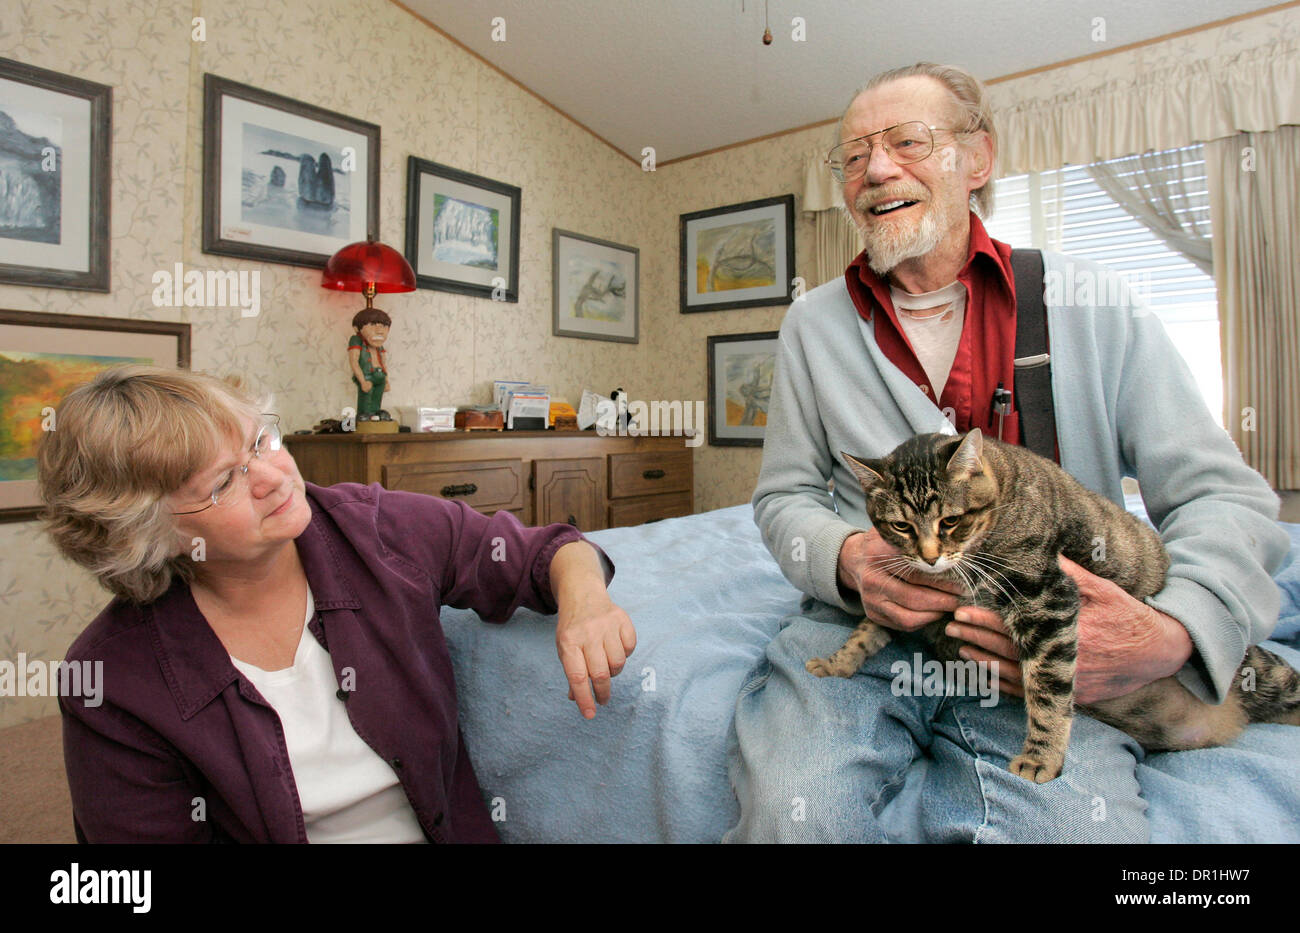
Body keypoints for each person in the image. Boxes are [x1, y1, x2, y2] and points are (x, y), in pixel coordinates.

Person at [726, 62, 1290, 842]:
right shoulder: (811, 326)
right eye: (853, 155)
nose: (875, 168)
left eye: (906, 142)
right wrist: (850, 557)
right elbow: (782, 499)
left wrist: (1173, 632)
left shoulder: (1098, 304)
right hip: (870, 631)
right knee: (793, 817)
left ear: (978, 159)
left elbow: (1224, 500)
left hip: (1039, 649)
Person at [39, 366, 635, 843]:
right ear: (142, 533)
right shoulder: (112, 684)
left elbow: (543, 551)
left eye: (261, 441)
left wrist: (585, 602)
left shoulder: (373, 529)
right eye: (223, 482)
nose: (272, 475)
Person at [348, 307, 390, 416]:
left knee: (377, 398)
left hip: (380, 374)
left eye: (384, 326)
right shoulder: (356, 340)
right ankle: (364, 415)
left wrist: (386, 380)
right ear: (357, 328)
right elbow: (354, 362)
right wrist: (362, 381)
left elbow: (384, 363)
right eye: (372, 325)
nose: (380, 330)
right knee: (366, 398)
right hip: (366, 375)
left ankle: (375, 414)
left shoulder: (378, 345)